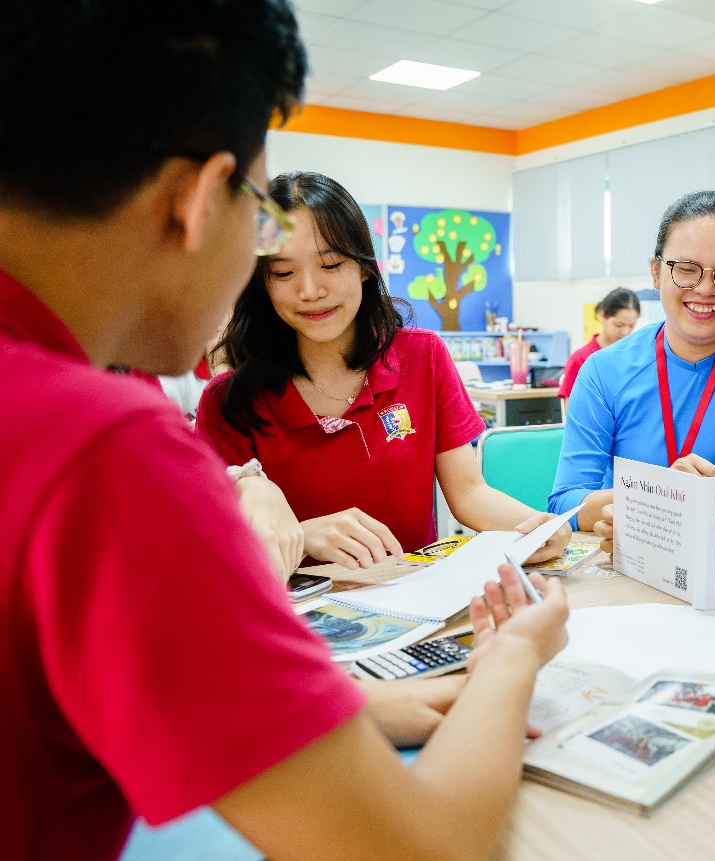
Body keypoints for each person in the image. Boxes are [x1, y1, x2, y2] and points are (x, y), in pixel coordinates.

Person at [0, 4, 569, 861]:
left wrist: (333, 717)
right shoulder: (109, 444)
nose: (304, 284)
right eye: (264, 226)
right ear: (201, 196)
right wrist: (513, 656)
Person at [197, 171, 569, 570]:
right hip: (299, 619)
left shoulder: (421, 356)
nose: (309, 290)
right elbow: (212, 548)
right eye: (283, 273)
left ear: (363, 267)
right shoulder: (229, 402)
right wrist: (303, 535)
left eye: (330, 264)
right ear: (261, 283)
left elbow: (469, 494)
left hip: (421, 605)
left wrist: (536, 528)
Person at [549, 191, 715, 535]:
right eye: (685, 269)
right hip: (626, 563)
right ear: (656, 273)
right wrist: (662, 498)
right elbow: (566, 503)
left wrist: (652, 504)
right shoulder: (602, 370)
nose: (705, 288)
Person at [558, 286, 640, 400]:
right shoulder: (580, 359)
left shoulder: (635, 357)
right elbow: (571, 410)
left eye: (631, 326)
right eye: (619, 325)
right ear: (603, 316)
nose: (625, 332)